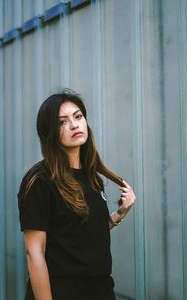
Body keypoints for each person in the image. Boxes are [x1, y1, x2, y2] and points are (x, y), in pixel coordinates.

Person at [18, 89, 136, 300]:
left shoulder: (92, 176)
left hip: (101, 289)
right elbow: (35, 253)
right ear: (49, 132)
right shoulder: (40, 181)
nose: (74, 125)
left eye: (78, 116)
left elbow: (78, 233)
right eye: (62, 122)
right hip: (63, 290)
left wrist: (119, 214)